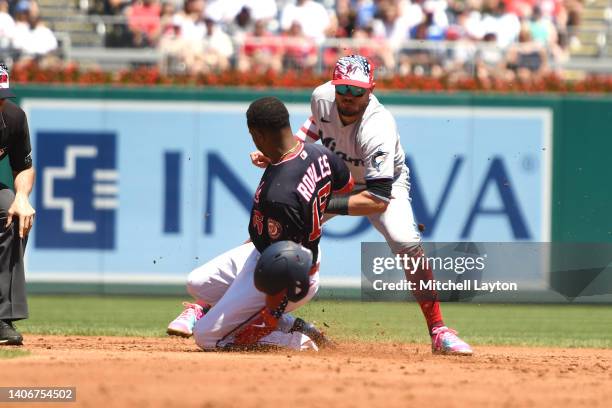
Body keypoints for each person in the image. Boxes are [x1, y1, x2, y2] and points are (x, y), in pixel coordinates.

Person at [251, 55, 473, 355]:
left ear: (371, 89)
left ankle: (439, 331)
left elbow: (377, 200)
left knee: (405, 242)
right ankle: (211, 304)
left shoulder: (378, 125)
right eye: (343, 89)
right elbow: (312, 129)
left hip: (382, 187)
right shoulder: (322, 97)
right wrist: (280, 154)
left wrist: (319, 202)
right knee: (271, 227)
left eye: (357, 91)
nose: (349, 97)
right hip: (337, 178)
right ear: (334, 85)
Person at [167, 96, 353, 351]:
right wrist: (310, 205)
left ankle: (298, 340)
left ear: (258, 134)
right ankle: (291, 324)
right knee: (198, 283)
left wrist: (270, 316)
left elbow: (284, 269)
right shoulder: (319, 153)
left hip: (289, 275)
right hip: (276, 253)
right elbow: (347, 186)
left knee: (207, 337)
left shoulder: (279, 196)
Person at [0, 63, 36, 346]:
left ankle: (1, 318)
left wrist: (22, 197)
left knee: (11, 210)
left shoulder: (12, 117)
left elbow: (23, 167)